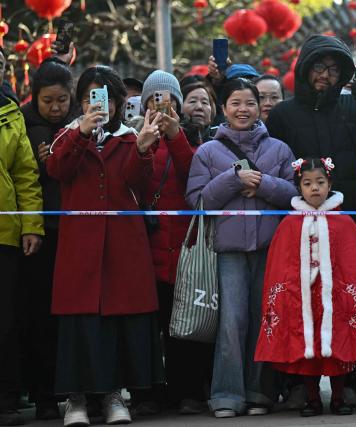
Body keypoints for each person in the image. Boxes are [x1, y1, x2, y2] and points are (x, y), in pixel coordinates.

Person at [266, 34, 356, 400]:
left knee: (350, 298)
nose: (326, 75)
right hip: (299, 224)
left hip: (350, 219)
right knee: (299, 299)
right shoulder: (283, 115)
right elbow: (276, 167)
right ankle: (297, 381)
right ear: (305, 70)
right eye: (319, 67)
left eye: (334, 69)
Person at [47, 65, 164, 427]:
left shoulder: (131, 137)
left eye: (106, 99)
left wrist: (143, 150)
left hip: (122, 246)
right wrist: (82, 133)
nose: (99, 105)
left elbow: (139, 184)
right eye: (90, 98)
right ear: (80, 102)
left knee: (116, 323)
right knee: (79, 322)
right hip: (79, 245)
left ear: (117, 103)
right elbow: (57, 170)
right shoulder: (65, 136)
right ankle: (77, 400)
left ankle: (115, 396)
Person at [186, 78, 297, 418]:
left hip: (270, 248)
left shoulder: (278, 149)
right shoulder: (207, 151)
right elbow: (197, 201)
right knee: (232, 322)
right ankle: (226, 395)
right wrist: (234, 178)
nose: (243, 110)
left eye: (249, 103)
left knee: (266, 319)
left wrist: (264, 184)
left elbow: (295, 196)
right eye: (235, 103)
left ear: (259, 107)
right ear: (224, 108)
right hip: (227, 250)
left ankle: (260, 393)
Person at [254, 157, 356, 417]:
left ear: (330, 185)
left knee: (338, 345)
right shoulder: (289, 224)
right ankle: (313, 398)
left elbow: (355, 264)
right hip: (303, 297)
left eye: (320, 182)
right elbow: (281, 265)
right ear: (299, 188)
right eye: (307, 183)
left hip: (335, 297)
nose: (314, 188)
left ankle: (338, 397)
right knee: (309, 351)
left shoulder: (344, 222)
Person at [129, 73, 214, 417]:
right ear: (145, 103)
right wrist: (143, 144)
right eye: (155, 99)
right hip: (143, 243)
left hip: (182, 243)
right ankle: (148, 393)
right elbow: (131, 178)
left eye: (168, 99)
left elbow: (191, 175)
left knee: (183, 323)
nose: (161, 105)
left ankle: (188, 391)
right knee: (149, 324)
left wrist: (175, 135)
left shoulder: (193, 137)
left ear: (177, 105)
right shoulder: (134, 136)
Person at [18, 57, 76, 421]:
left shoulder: (81, 124)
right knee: (37, 314)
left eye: (61, 101)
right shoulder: (21, 123)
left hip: (73, 231)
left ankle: (71, 389)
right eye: (47, 101)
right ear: (34, 97)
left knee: (69, 316)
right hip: (37, 234)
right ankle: (41, 394)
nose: (55, 108)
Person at [0, 76, 44, 427]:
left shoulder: (11, 114)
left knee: (5, 318)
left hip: (6, 233)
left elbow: (27, 175)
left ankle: (6, 398)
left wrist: (31, 225)